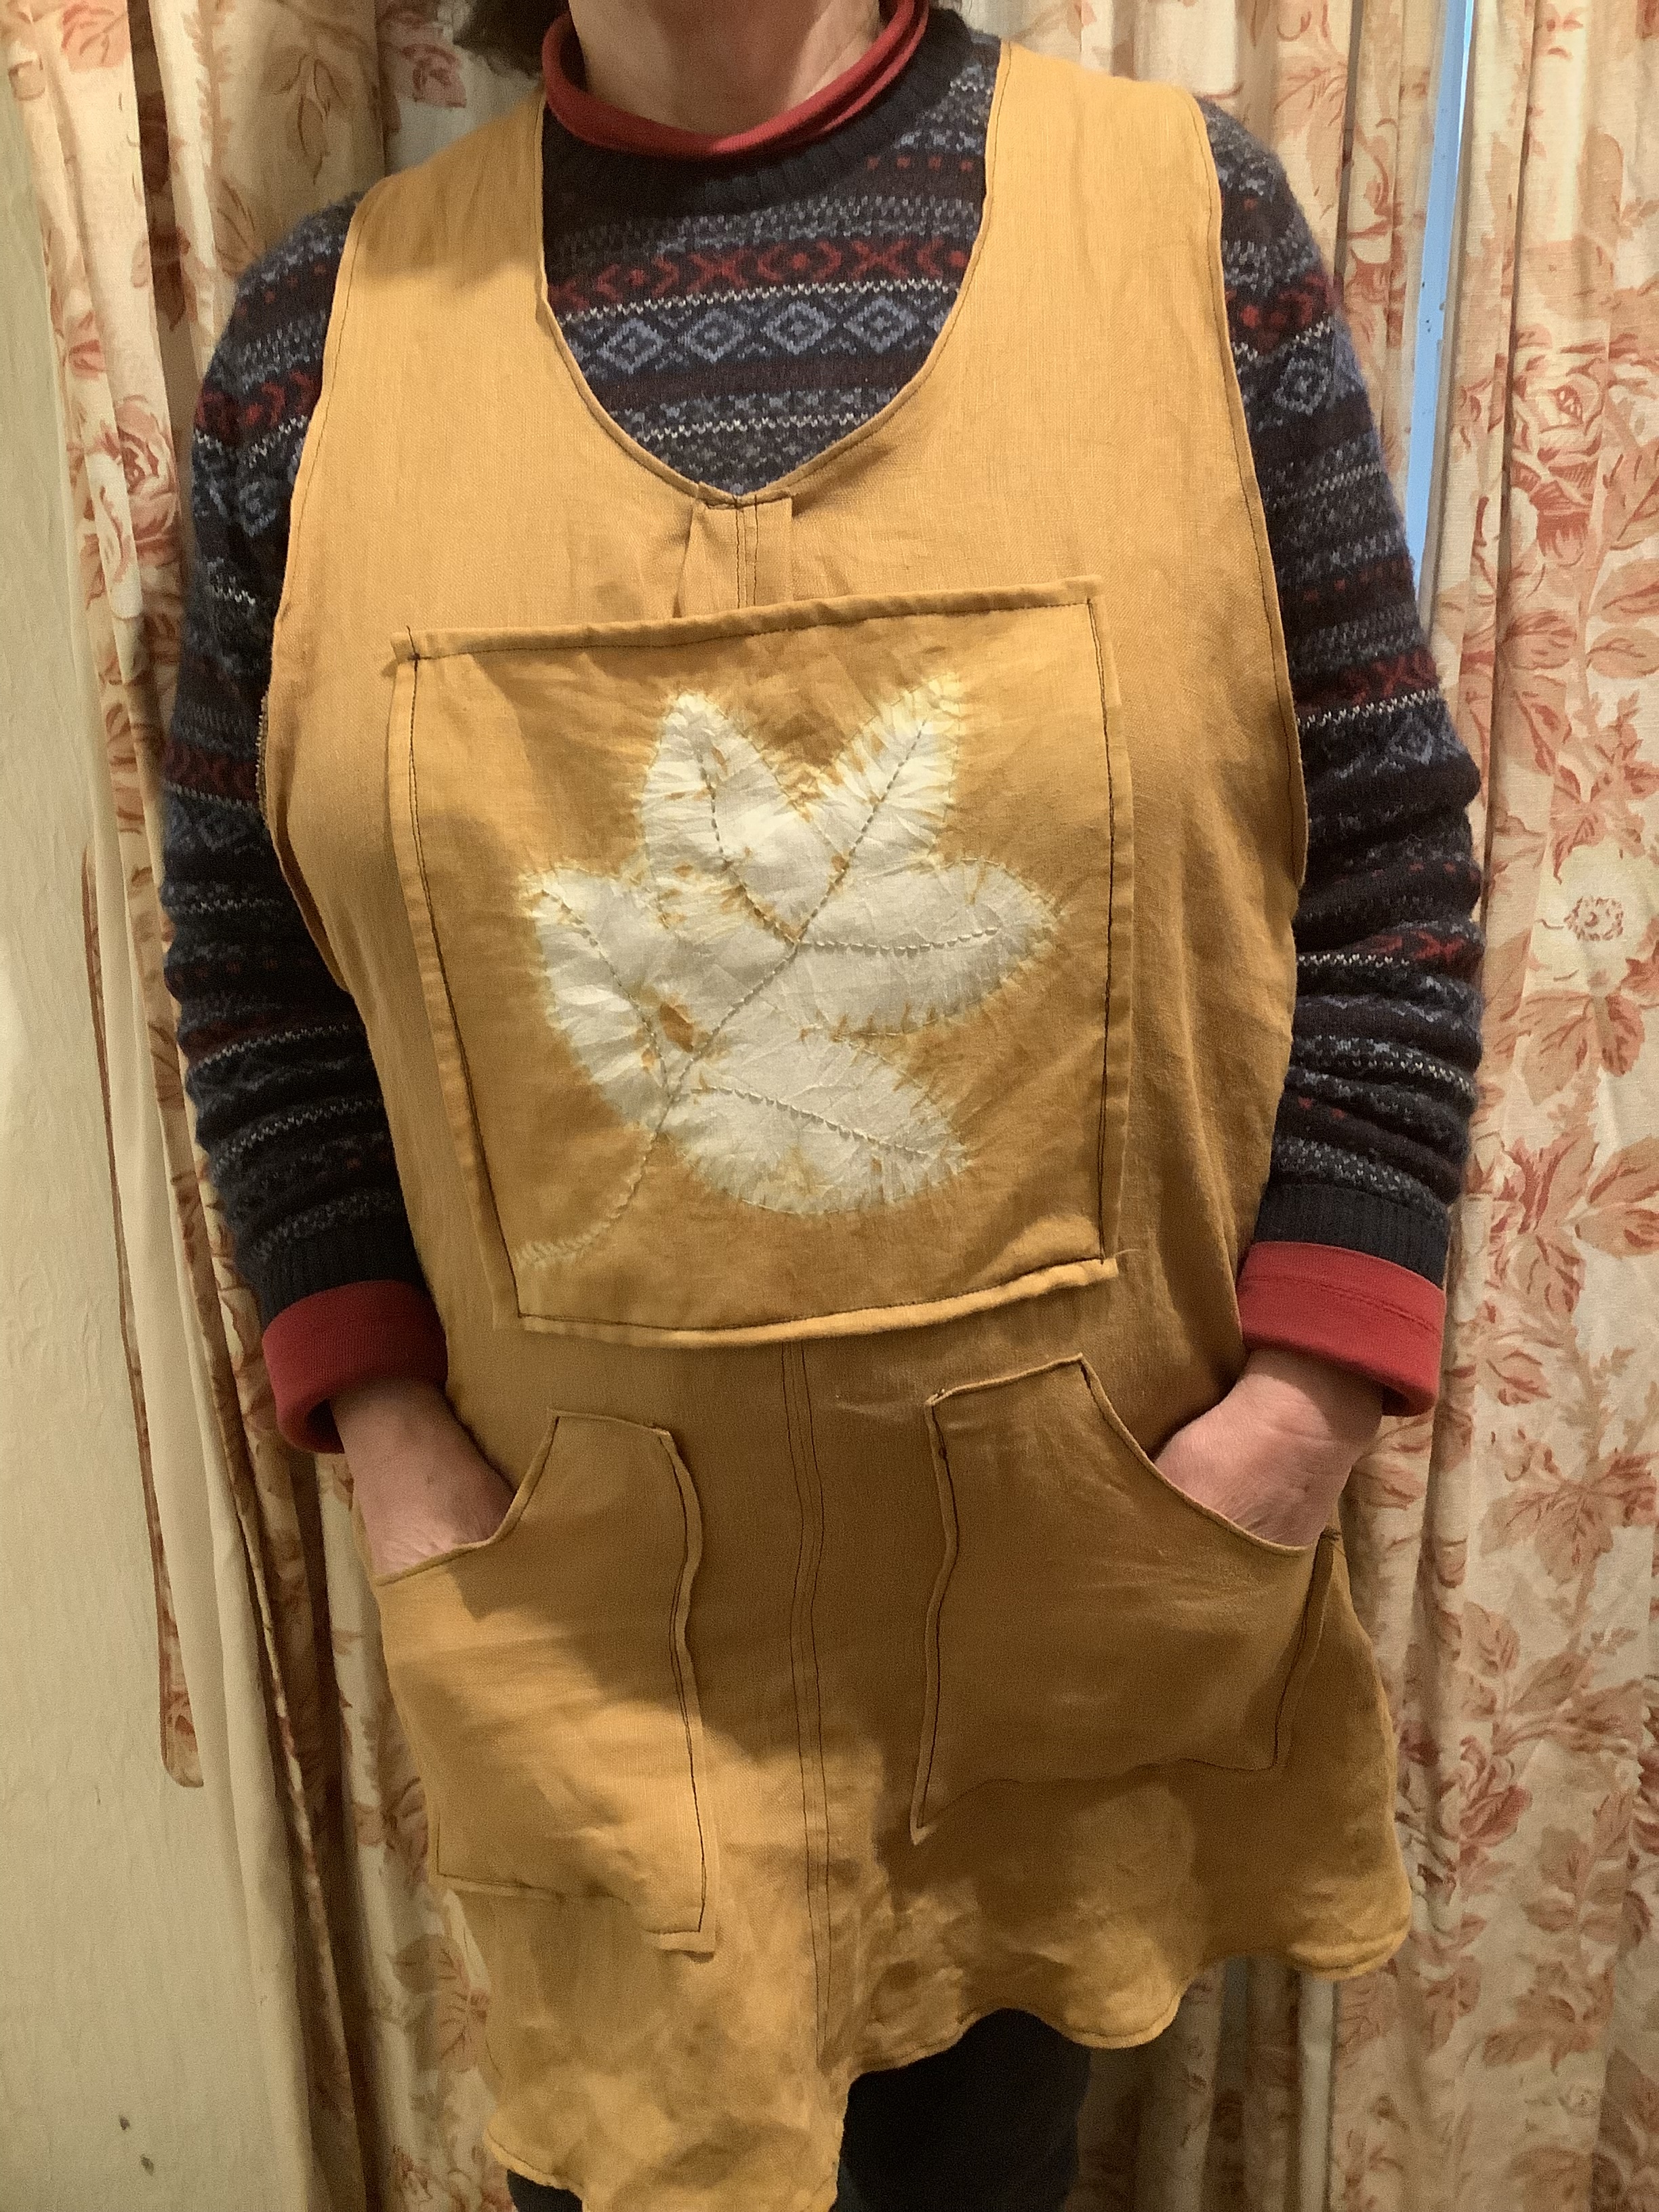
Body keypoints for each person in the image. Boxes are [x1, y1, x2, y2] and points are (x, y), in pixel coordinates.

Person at [159, 3, 1483, 2207]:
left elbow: (1386, 868)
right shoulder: (319, 349)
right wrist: (382, 1431)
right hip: (582, 1621)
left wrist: (1303, 1406)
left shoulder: (1189, 232)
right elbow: (253, 956)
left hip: (1087, 1588)